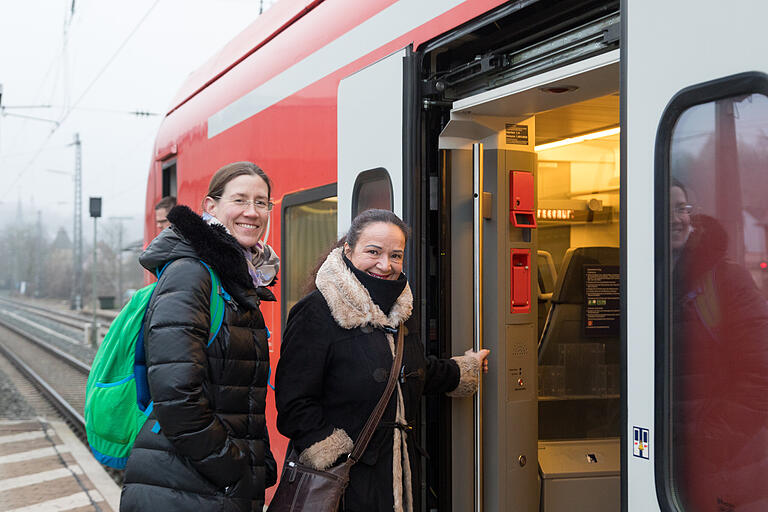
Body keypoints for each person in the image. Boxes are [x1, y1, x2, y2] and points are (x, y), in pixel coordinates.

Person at [275, 208, 489, 512]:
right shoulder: (317, 310)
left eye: (396, 255)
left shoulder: (400, 311)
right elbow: (294, 403)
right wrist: (332, 453)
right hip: (346, 481)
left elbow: (413, 370)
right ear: (348, 250)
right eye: (373, 251)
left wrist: (463, 369)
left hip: (398, 474)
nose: (385, 265)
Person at [121, 162, 280, 511]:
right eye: (240, 200)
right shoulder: (192, 274)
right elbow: (177, 395)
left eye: (261, 202)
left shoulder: (236, 278)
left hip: (203, 485)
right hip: (186, 487)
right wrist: (232, 466)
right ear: (211, 207)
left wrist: (256, 460)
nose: (252, 212)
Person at [670, 180, 768, 511]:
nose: (676, 219)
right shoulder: (646, 279)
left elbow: (762, 376)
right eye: (665, 209)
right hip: (672, 464)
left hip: (724, 468)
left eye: (681, 208)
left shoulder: (726, 280)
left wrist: (706, 445)